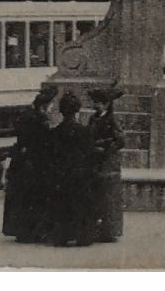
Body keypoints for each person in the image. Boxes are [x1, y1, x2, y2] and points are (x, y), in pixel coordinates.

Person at [3, 87, 57, 243]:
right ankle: (34, 231)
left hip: (21, 162)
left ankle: (21, 230)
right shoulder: (42, 121)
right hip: (35, 163)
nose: (52, 108)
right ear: (43, 107)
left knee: (22, 198)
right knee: (35, 197)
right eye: (50, 106)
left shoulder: (26, 117)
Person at [45, 91, 98, 247]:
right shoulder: (84, 132)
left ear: (61, 111)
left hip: (60, 175)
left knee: (62, 204)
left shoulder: (54, 132)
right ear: (77, 111)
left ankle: (62, 235)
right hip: (79, 174)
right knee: (80, 204)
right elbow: (90, 155)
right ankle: (82, 235)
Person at [87, 87, 126, 243]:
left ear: (106, 104)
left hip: (108, 163)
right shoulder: (93, 119)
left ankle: (110, 231)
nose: (96, 106)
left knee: (109, 197)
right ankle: (99, 228)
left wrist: (105, 147)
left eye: (99, 103)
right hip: (95, 162)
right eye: (95, 102)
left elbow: (120, 141)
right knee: (98, 196)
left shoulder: (112, 120)